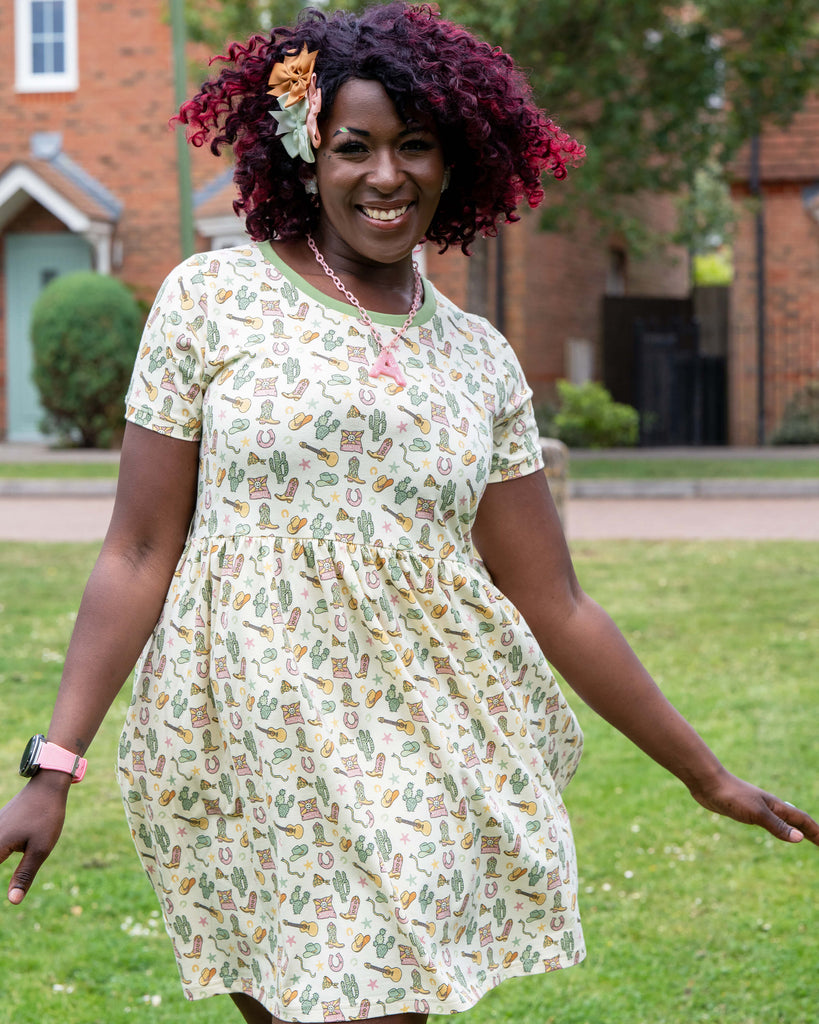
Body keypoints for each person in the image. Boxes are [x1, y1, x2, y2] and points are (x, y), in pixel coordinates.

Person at [1, 4, 817, 1023]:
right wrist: (56, 765)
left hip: (419, 743)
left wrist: (706, 775)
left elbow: (555, 599)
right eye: (355, 146)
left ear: (456, 161)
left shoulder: (477, 357)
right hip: (242, 742)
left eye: (414, 146)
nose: (386, 176)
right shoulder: (210, 300)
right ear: (305, 153)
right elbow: (137, 549)